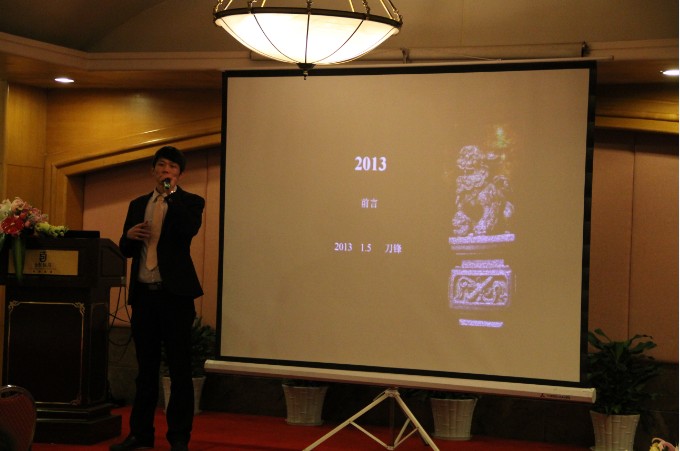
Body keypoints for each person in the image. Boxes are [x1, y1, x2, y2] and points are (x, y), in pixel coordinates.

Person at [111, 146, 205, 451]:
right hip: (144, 298)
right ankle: (140, 434)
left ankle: (178, 437)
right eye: (161, 166)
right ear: (153, 170)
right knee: (146, 371)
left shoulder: (191, 202)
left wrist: (171, 196)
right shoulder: (137, 204)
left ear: (180, 174)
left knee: (179, 369)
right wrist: (128, 237)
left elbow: (188, 229)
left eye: (172, 167)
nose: (166, 171)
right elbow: (126, 250)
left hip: (175, 297)